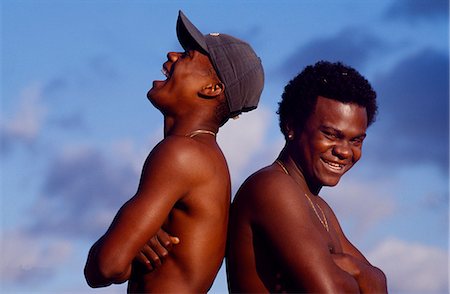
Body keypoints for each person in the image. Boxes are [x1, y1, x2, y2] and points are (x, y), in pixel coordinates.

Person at [84, 10, 264, 293]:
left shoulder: (182, 154)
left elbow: (106, 267)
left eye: (187, 55)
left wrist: (128, 240)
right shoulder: (206, 156)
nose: (171, 55)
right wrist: (135, 238)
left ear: (212, 88)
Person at [226, 61, 387, 293]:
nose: (344, 151)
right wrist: (361, 273)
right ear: (291, 126)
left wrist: (363, 272)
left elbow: (378, 284)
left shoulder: (319, 207)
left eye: (356, 140)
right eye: (331, 135)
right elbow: (331, 290)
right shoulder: (272, 187)